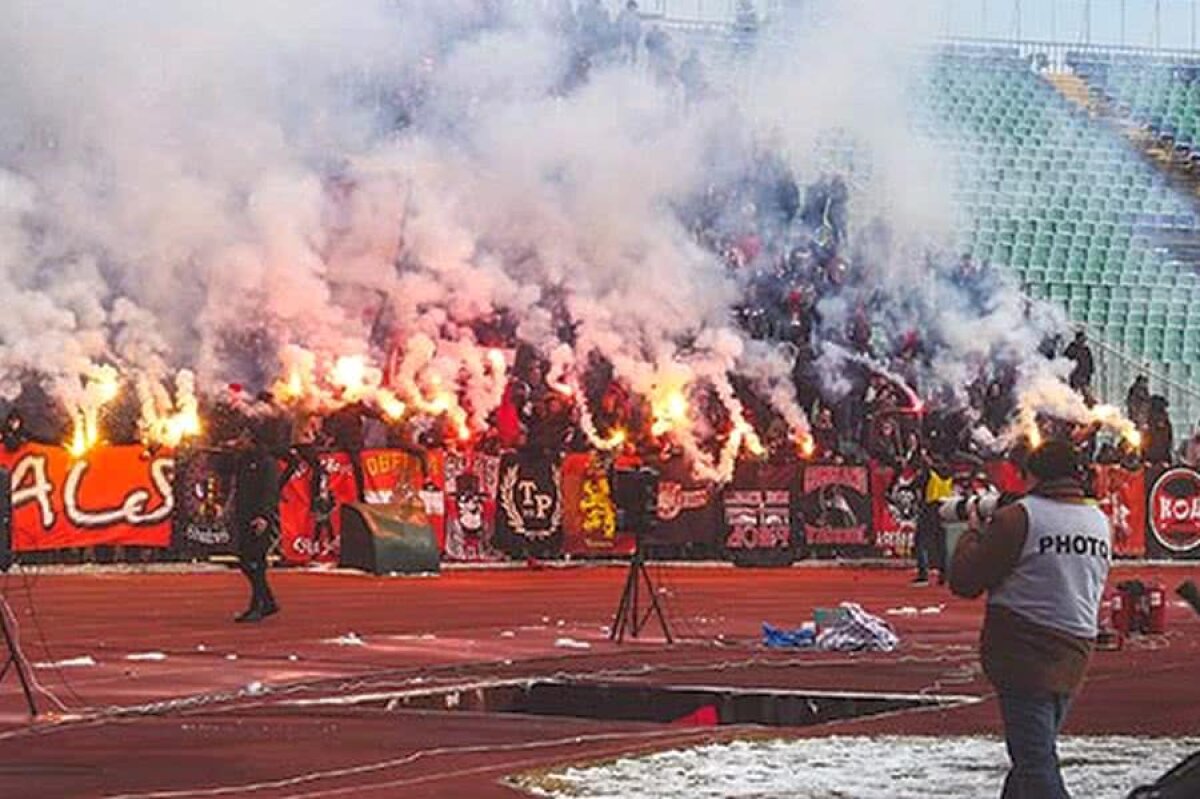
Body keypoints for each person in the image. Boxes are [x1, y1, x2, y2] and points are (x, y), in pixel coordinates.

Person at [950, 439, 1111, 798]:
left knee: (1035, 764)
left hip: (1023, 652)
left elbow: (965, 581)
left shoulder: (1020, 517)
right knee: (1031, 755)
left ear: (1032, 475)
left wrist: (973, 531)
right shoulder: (1099, 521)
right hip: (1075, 651)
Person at [230, 425, 281, 623]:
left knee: (255, 562)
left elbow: (270, 492)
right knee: (246, 561)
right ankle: (265, 602)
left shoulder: (266, 463)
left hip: (258, 518)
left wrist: (264, 516)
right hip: (244, 515)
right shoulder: (243, 460)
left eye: (244, 437)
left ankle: (261, 604)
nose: (240, 440)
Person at [914, 458, 953, 586]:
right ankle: (944, 575)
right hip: (945, 507)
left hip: (930, 507)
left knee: (920, 541)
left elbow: (916, 485)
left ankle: (923, 574)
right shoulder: (949, 474)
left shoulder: (930, 474)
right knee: (941, 542)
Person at [1063, 330, 1093, 396]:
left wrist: (1089, 375)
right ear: (1077, 339)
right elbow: (1066, 361)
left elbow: (1090, 363)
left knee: (1085, 394)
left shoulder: (1086, 350)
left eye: (1084, 340)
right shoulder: (1072, 348)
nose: (1083, 341)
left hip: (1084, 376)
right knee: (1074, 393)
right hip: (1075, 376)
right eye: (1082, 339)